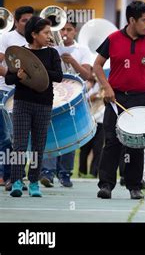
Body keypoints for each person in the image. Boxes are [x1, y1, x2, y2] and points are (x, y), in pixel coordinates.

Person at [94, 0, 145, 200]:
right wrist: (106, 87)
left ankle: (134, 185)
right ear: (132, 20)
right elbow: (97, 65)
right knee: (112, 142)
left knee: (137, 143)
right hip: (116, 96)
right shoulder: (113, 39)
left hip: (142, 98)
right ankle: (106, 185)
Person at [7, 16, 63, 197]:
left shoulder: (52, 53)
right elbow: (9, 78)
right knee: (19, 145)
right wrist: (19, 76)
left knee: (38, 146)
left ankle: (33, 182)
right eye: (45, 32)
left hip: (44, 104)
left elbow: (59, 76)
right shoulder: (19, 53)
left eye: (50, 32)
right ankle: (16, 181)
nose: (49, 36)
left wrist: (37, 71)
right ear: (34, 34)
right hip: (22, 103)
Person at [40, 21, 93, 188]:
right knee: (50, 132)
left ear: (75, 32)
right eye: (62, 29)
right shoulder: (49, 48)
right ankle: (47, 172)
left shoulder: (82, 50)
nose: (65, 32)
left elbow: (87, 75)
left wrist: (72, 61)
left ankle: (65, 173)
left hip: (73, 95)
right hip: (53, 94)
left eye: (69, 29)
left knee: (69, 133)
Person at [0, 6, 33, 192]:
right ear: (16, 22)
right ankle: (6, 176)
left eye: (30, 20)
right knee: (6, 138)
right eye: (24, 20)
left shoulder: (35, 38)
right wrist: (14, 76)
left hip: (26, 93)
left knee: (22, 138)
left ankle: (18, 177)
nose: (27, 24)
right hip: (5, 91)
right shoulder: (6, 38)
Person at [79, 76, 105, 178]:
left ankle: (94, 173)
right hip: (88, 122)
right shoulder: (87, 86)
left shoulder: (105, 85)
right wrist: (91, 97)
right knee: (85, 149)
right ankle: (82, 172)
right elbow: (82, 99)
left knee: (97, 149)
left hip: (100, 122)